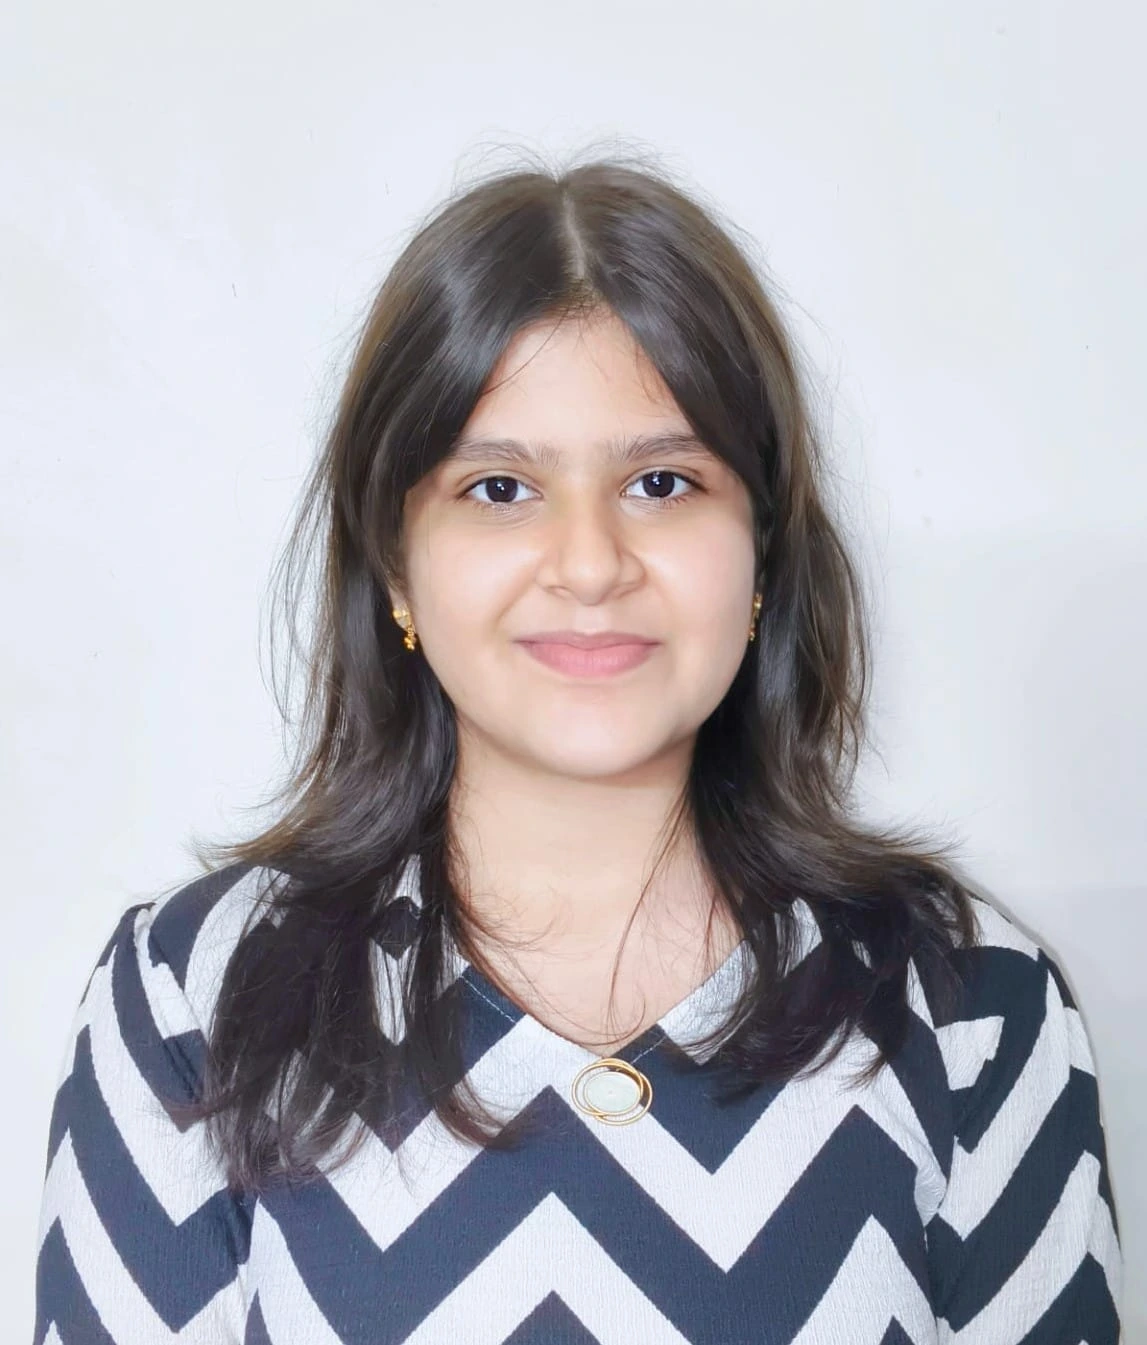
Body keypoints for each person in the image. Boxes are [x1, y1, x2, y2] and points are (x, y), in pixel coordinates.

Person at [33, 153, 1122, 1344]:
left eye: (662, 481)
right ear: (396, 562)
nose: (591, 563)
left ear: (762, 548)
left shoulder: (970, 1005)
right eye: (499, 489)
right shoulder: (194, 994)